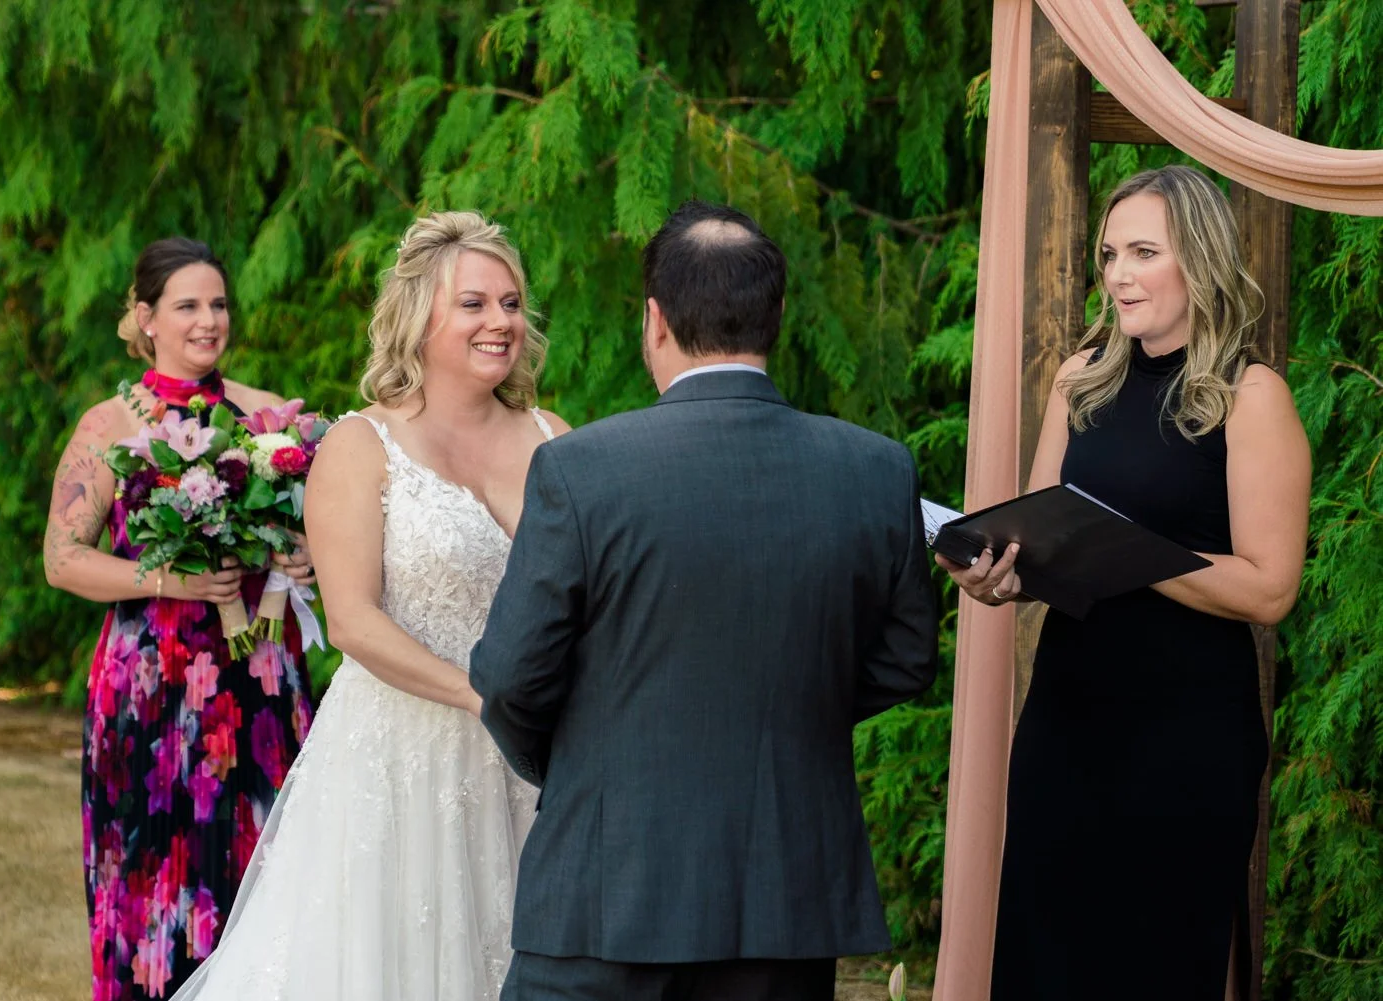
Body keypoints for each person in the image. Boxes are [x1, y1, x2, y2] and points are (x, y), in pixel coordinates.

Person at [469, 199, 940, 1001]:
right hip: (785, 896)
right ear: (777, 316)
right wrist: (788, 713)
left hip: (607, 887)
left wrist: (589, 759)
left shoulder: (583, 470)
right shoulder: (876, 468)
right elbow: (905, 660)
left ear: (654, 321)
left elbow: (511, 676)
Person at [168, 210, 571, 1001]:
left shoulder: (554, 439)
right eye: (475, 303)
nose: (501, 322)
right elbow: (352, 621)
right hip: (399, 754)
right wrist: (483, 695)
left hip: (527, 761)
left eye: (513, 304)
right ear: (419, 318)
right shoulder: (361, 445)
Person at [938, 166, 1311, 999]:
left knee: (1156, 967)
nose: (1117, 274)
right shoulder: (1081, 381)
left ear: (1201, 262)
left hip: (1187, 740)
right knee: (1044, 961)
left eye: (1144, 251)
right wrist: (996, 574)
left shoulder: (1251, 397)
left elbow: (1270, 587)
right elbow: (1043, 539)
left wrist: (1130, 551)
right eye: (1109, 254)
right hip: (1067, 723)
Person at [43, 237, 317, 1001]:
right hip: (153, 688)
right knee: (153, 877)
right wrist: (170, 578)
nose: (208, 321)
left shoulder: (268, 416)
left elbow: (319, 530)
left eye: (218, 304)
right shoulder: (109, 425)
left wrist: (305, 562)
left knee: (264, 874)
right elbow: (62, 557)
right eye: (187, 305)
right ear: (145, 317)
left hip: (260, 678)